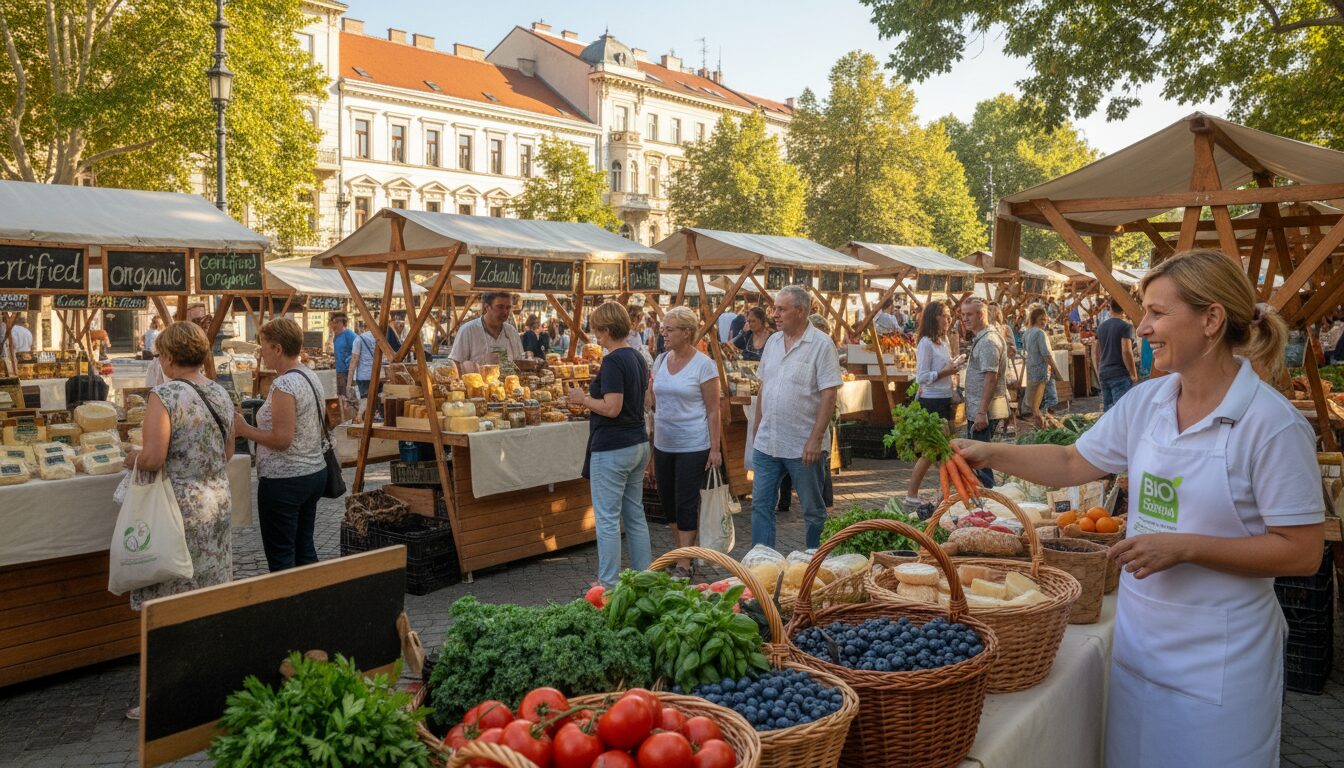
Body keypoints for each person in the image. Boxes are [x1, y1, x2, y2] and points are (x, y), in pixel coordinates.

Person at [953, 249, 1324, 768]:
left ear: (1211, 320)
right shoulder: (1148, 401)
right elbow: (1069, 460)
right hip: (1140, 646)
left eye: (1156, 312)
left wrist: (1188, 547)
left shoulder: (1271, 425)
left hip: (1219, 664)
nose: (1142, 327)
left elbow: (1303, 552)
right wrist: (987, 451)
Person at [120, 321, 234, 720]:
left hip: (178, 509)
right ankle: (211, 684)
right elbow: (228, 451)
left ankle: (165, 696)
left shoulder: (165, 394)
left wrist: (128, 457)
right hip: (216, 503)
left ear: (168, 357)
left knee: (166, 601)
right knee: (207, 594)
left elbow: (152, 458)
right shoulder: (219, 392)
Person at [233, 318, 329, 572]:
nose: (260, 352)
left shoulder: (285, 384)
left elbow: (282, 439)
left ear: (277, 349)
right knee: (304, 549)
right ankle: (313, 605)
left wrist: (245, 430)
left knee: (282, 557)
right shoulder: (309, 374)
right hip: (312, 472)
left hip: (286, 480)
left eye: (262, 346)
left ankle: (289, 609)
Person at [750, 285, 841, 549]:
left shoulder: (822, 345)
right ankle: (761, 563)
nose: (774, 314)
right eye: (774, 309)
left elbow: (828, 394)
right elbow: (764, 385)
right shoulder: (774, 342)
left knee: (813, 511)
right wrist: (758, 428)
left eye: (781, 309)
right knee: (761, 506)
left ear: (801, 311)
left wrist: (815, 439)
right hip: (768, 442)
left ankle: (815, 561)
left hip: (803, 446)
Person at [569, 301, 652, 587]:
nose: (596, 338)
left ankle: (608, 584)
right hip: (638, 442)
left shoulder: (614, 360)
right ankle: (645, 578)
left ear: (606, 329)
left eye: (597, 332)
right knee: (635, 516)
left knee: (607, 520)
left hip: (613, 447)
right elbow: (644, 402)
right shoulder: (637, 357)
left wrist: (583, 400)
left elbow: (612, 406)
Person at [647, 306, 722, 579]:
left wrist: (715, 448)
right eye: (663, 328)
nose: (663, 333)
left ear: (687, 332)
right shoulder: (660, 361)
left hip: (693, 443)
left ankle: (685, 563)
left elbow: (714, 409)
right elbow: (655, 404)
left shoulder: (704, 365)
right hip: (665, 442)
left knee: (686, 501)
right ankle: (681, 553)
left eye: (670, 329)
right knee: (668, 501)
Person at [903, 301, 964, 508]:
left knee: (943, 449)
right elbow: (921, 377)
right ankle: (912, 494)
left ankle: (946, 492)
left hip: (944, 397)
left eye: (949, 316)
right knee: (932, 450)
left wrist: (952, 367)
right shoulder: (925, 343)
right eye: (945, 316)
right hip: (931, 401)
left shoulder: (944, 340)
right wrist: (946, 372)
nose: (949, 320)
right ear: (934, 318)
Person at [961, 298, 1008, 488]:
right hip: (977, 408)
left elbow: (991, 378)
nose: (965, 319)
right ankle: (985, 498)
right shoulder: (982, 337)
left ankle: (989, 499)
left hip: (983, 411)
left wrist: (981, 412)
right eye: (963, 314)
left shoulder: (988, 340)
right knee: (978, 461)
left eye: (969, 314)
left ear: (981, 315)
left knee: (981, 462)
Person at [449, 292, 524, 372]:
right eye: (500, 307)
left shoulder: (511, 331)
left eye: (508, 307)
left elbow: (520, 361)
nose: (505, 312)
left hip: (507, 383)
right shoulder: (468, 330)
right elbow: (455, 364)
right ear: (486, 307)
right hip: (477, 383)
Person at [1022, 305, 1065, 430]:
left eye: (1045, 319)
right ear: (1035, 319)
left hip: (1032, 372)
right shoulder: (1040, 333)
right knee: (1047, 403)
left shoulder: (1026, 333)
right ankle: (1046, 428)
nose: (1044, 322)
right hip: (1042, 372)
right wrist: (1057, 372)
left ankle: (1040, 428)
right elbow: (1047, 355)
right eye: (1042, 319)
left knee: (1037, 405)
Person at [1097, 297, 1140, 411]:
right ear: (1124, 309)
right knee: (1122, 409)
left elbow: (1097, 351)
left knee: (1109, 411)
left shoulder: (1101, 327)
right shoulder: (1125, 326)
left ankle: (1109, 429)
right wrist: (1133, 373)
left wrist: (1099, 368)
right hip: (1119, 373)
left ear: (1110, 308)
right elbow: (1126, 351)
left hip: (1104, 371)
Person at [328, 313, 356, 399]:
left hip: (347, 372)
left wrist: (348, 361)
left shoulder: (349, 334)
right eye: (332, 322)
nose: (333, 325)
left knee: (348, 397)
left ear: (342, 323)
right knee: (340, 397)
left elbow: (359, 350)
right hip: (339, 372)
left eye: (335, 322)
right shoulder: (336, 336)